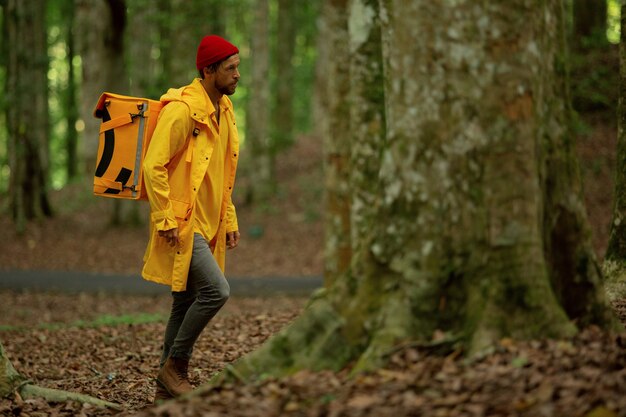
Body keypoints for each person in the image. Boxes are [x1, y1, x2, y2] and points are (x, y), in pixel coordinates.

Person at [141, 34, 241, 401]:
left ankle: (164, 393)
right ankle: (175, 365)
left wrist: (228, 218)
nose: (237, 74)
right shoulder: (182, 110)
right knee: (217, 291)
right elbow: (153, 166)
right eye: (230, 68)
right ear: (208, 70)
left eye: (238, 66)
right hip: (183, 223)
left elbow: (222, 173)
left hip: (210, 221)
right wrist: (165, 217)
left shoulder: (225, 110)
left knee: (183, 301)